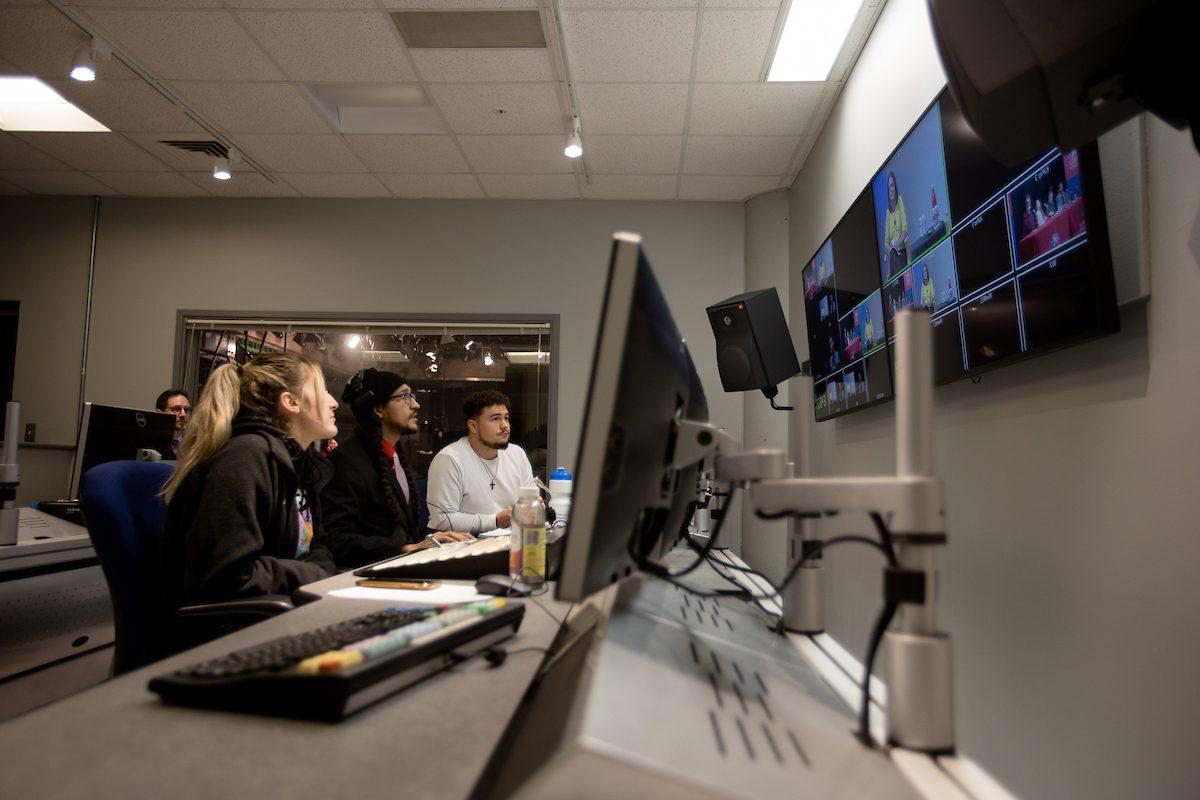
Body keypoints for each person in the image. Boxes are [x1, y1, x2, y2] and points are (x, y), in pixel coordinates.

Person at [161, 353, 339, 609]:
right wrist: (316, 576)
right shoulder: (243, 459)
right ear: (290, 402)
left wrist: (320, 574)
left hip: (288, 606)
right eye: (322, 390)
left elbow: (319, 546)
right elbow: (226, 576)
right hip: (235, 629)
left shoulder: (297, 463)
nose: (332, 402)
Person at [320, 369, 470, 569]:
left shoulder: (394, 455)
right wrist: (405, 548)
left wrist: (432, 537)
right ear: (379, 409)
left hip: (394, 567)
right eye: (404, 396)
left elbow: (396, 529)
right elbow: (335, 539)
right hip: (362, 577)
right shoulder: (346, 461)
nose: (416, 404)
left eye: (412, 396)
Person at [425, 390, 535, 534]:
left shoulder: (517, 454)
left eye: (506, 418)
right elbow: (442, 519)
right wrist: (495, 520)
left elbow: (532, 501)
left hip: (513, 540)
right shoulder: (449, 460)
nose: (505, 426)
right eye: (495, 419)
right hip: (467, 546)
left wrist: (534, 505)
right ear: (473, 426)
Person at [884, 171, 908, 275]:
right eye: (889, 187)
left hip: (902, 253)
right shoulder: (888, 213)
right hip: (893, 257)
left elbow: (905, 230)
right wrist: (892, 250)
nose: (891, 189)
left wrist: (897, 245)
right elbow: (886, 243)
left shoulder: (900, 201)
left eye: (893, 185)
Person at [155, 389, 190, 459]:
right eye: (176, 409)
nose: (183, 414)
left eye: (186, 410)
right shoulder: (149, 445)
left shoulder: (194, 444)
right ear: (159, 413)